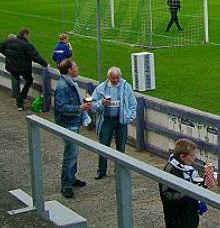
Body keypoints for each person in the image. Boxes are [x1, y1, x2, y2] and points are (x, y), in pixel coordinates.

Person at [55, 59, 92, 198]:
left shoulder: (69, 83)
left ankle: (71, 178)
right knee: (70, 155)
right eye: (75, 67)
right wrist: (80, 108)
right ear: (70, 70)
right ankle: (66, 185)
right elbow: (62, 108)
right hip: (68, 124)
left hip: (73, 122)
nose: (78, 68)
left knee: (74, 153)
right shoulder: (63, 86)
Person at [91, 66, 136, 180]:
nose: (115, 80)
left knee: (121, 147)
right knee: (103, 146)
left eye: (117, 78)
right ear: (108, 77)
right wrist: (102, 103)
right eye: (113, 78)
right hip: (107, 120)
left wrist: (128, 117)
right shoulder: (101, 88)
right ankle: (101, 170)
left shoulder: (126, 87)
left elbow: (133, 104)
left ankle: (119, 170)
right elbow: (93, 104)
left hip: (121, 120)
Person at [159, 139, 213, 228]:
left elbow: (196, 184)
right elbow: (167, 195)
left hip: (191, 213)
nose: (194, 157)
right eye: (192, 155)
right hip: (177, 217)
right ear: (182, 157)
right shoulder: (170, 170)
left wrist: (206, 181)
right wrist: (189, 193)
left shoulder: (188, 166)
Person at [0, 28, 49, 110]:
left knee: (15, 84)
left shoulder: (10, 41)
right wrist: (45, 64)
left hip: (11, 66)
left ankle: (19, 105)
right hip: (23, 68)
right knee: (29, 80)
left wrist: (8, 55)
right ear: (25, 35)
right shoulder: (26, 44)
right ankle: (23, 96)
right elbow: (35, 56)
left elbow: (1, 47)